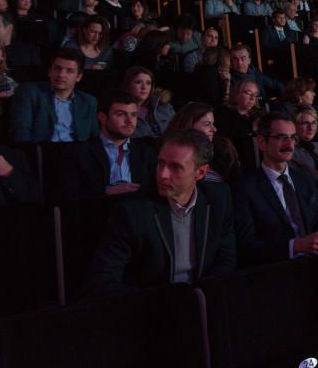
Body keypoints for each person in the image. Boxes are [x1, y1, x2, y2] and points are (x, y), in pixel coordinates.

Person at [84, 129, 237, 296]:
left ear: (200, 173)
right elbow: (102, 281)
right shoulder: (133, 211)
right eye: (160, 163)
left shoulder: (218, 199)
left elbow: (226, 260)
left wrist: (202, 296)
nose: (163, 174)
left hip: (202, 300)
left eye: (175, 167)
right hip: (150, 307)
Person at [234, 112, 318, 266]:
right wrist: (294, 246)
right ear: (261, 142)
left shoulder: (306, 181)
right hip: (276, 272)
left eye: (293, 138)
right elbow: (246, 248)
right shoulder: (245, 188)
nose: (289, 145)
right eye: (281, 138)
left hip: (317, 265)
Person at [68, 90, 158, 199]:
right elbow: (67, 195)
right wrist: (106, 191)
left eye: (133, 115)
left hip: (138, 211)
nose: (129, 121)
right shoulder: (80, 152)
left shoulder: (147, 152)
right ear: (102, 117)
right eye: (120, 114)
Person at [9, 48, 98, 143]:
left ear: (78, 77)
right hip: (42, 152)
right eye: (57, 68)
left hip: (77, 153)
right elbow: (21, 130)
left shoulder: (88, 101)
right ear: (50, 71)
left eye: (69, 71)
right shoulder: (29, 92)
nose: (61, 75)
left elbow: (94, 138)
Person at [166, 101, 241, 184]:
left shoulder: (223, 150)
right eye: (207, 124)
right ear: (189, 125)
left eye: (213, 124)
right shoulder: (167, 152)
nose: (214, 129)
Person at [214, 79, 261, 170]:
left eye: (255, 95)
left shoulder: (258, 115)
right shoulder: (223, 113)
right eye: (248, 93)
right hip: (235, 165)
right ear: (237, 93)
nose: (252, 99)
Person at [121, 66, 174, 139]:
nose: (144, 87)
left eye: (148, 83)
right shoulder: (120, 111)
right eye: (139, 82)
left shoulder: (164, 106)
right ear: (128, 85)